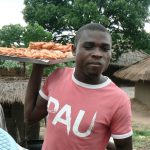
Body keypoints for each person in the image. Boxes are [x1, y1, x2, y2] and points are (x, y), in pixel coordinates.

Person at [24, 23, 133, 150]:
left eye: (105, 48)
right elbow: (30, 117)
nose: (97, 54)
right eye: (88, 46)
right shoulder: (57, 77)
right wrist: (38, 65)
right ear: (74, 50)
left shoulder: (119, 100)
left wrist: (99, 141)